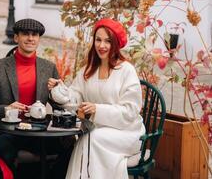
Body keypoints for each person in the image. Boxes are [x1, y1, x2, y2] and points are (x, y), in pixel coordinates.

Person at [48, 18, 145, 179]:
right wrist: (59, 88)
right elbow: (74, 96)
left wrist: (97, 110)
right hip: (98, 130)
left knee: (90, 138)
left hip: (127, 132)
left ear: (116, 44)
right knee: (88, 138)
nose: (101, 45)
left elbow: (131, 111)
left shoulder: (126, 70)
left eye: (107, 41)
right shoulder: (88, 69)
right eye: (98, 40)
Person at [0, 18, 73, 179]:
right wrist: (7, 108)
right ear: (16, 38)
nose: (30, 38)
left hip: (37, 130)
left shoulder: (49, 68)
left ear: (39, 39)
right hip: (8, 131)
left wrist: (58, 92)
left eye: (35, 34)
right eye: (25, 34)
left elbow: (58, 107)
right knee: (2, 148)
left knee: (70, 144)